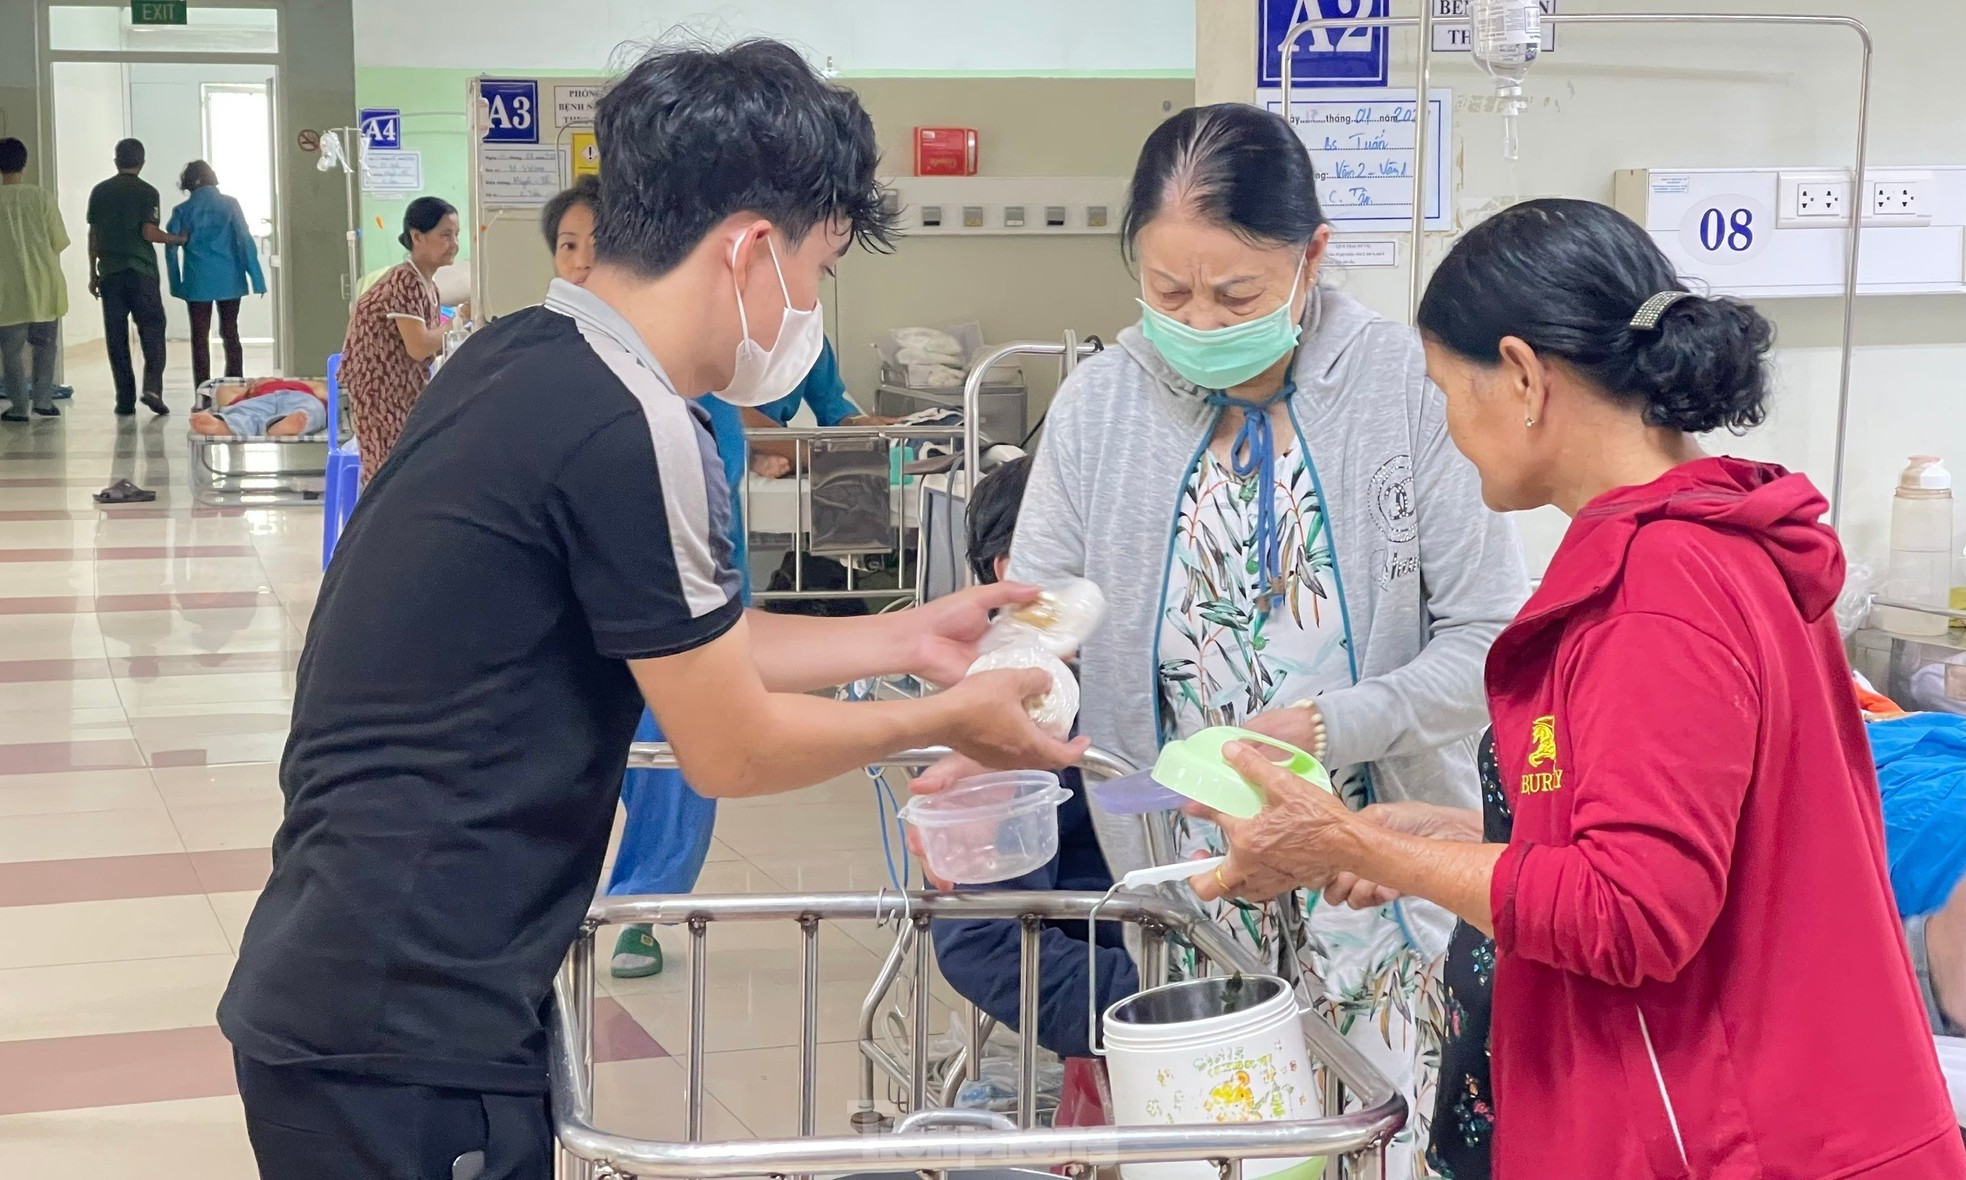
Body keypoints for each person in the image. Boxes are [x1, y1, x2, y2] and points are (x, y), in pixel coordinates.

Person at [216, 40, 1082, 1180]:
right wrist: (945, 720)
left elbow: (684, 638)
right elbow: (729, 742)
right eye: (817, 271)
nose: (808, 309)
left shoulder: (525, 354)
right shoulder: (633, 424)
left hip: (357, 972)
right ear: (751, 251)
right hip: (405, 1020)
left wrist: (900, 638)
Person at [1192, 198, 1966, 1178]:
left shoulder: (1655, 599)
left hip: (1728, 1143)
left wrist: (1349, 843)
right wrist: (1454, 842)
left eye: (1444, 391)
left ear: (1520, 376)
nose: (1448, 430)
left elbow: (1633, 911)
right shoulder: (1719, 544)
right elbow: (1681, 845)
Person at [914, 102, 1525, 1171]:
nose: (1199, 319)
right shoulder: (1101, 406)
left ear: (1311, 259)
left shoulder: (1406, 391)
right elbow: (1036, 625)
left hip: (1376, 877)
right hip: (1182, 881)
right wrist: (992, 714)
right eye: (1167, 292)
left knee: (1381, 1136)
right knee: (1216, 1147)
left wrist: (1332, 724)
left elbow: (1488, 640)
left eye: (1235, 293)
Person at [539, 174, 729, 978]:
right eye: (567, 248)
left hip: (696, 597)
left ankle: (646, 905)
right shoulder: (548, 375)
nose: (581, 264)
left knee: (677, 756)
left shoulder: (694, 393)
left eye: (595, 245)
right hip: (589, 615)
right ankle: (571, 899)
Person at [930, 455, 1137, 1061]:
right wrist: (1160, 1003)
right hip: (1136, 1012)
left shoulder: (1156, 687)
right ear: (1015, 575)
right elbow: (982, 938)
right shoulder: (1012, 729)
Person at [337, 196, 464, 482]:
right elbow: (419, 347)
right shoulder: (405, 281)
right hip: (380, 392)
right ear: (417, 236)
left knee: (405, 472)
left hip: (402, 390)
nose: (454, 243)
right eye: (445, 235)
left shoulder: (427, 284)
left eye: (456, 234)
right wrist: (458, 320)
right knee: (388, 476)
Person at [88, 138, 184, 417]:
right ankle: (152, 387)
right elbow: (148, 233)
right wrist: (176, 239)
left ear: (116, 160)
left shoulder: (100, 192)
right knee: (152, 330)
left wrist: (92, 272)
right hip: (141, 273)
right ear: (142, 162)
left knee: (116, 337)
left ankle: (124, 400)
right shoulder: (148, 192)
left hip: (110, 273)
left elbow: (93, 235)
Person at [165, 160, 267, 389]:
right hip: (230, 279)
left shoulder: (182, 210)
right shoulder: (230, 205)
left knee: (199, 337)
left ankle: (202, 391)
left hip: (197, 280)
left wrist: (176, 283)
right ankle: (234, 386)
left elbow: (171, 246)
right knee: (230, 331)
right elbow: (245, 240)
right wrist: (257, 278)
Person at [740, 336, 896, 478]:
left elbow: (830, 402)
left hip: (783, 451)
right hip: (731, 444)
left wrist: (857, 422)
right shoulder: (729, 329)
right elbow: (729, 414)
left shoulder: (808, 332)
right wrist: (811, 455)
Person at [0, 137, 69, 423]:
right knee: (45, 345)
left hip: (7, 289)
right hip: (44, 284)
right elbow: (59, 241)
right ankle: (43, 400)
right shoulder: (42, 197)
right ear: (25, 163)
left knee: (12, 351)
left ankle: (18, 407)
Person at [189, 378, 325, 438]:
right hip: (258, 401)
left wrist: (279, 382)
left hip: (296, 397)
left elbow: (321, 388)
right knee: (243, 413)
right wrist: (248, 390)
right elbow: (222, 393)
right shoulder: (250, 393)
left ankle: (286, 423)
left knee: (311, 410)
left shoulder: (297, 386)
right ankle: (226, 426)